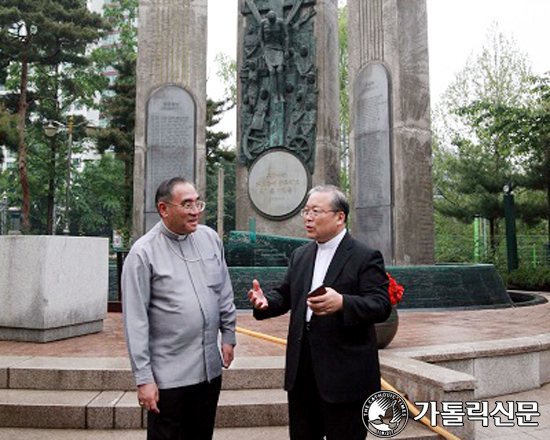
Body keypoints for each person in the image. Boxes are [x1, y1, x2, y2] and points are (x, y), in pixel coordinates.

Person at [248, 185, 391, 440]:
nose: (308, 217)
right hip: (302, 374)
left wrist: (344, 303)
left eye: (316, 211)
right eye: (306, 211)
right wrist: (265, 302)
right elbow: (286, 294)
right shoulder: (301, 255)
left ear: (339, 217)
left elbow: (381, 305)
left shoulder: (365, 256)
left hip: (345, 377)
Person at [122, 177, 236, 440]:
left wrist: (228, 334)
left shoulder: (209, 239)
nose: (196, 211)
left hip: (209, 372)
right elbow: (135, 323)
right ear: (164, 209)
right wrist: (144, 378)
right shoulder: (142, 254)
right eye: (187, 205)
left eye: (198, 203)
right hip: (168, 379)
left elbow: (223, 290)